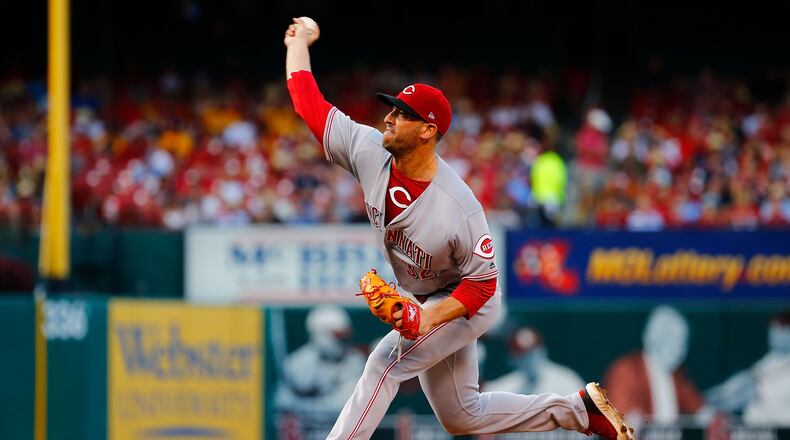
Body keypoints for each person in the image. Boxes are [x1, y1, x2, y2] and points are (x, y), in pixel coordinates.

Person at [283, 17, 633, 440]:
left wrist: (428, 317)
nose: (389, 118)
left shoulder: (459, 206)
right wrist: (298, 42)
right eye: (391, 108)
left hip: (467, 299)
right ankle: (577, 411)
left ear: (428, 130)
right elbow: (309, 104)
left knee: (384, 364)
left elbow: (482, 285)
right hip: (426, 293)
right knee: (462, 416)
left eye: (402, 114)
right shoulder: (367, 149)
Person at [603, 305, 703, 424]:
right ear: (651, 339)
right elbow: (617, 425)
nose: (679, 349)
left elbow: (700, 409)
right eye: (671, 339)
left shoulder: (678, 375)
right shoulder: (624, 372)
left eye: (682, 342)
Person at [275, 305, 366, 415]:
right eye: (337, 336)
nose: (343, 342)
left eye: (344, 336)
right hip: (304, 431)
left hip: (341, 430)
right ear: (320, 333)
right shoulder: (296, 363)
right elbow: (282, 403)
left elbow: (344, 406)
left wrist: (301, 405)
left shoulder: (354, 362)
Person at [705, 311, 790, 426]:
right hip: (755, 430)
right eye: (774, 329)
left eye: (783, 329)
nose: (777, 333)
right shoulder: (767, 363)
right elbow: (737, 386)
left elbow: (762, 392)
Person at [483, 326, 585, 396]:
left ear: (542, 350)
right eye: (522, 355)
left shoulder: (566, 380)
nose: (529, 359)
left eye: (532, 352)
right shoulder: (508, 386)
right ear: (512, 359)